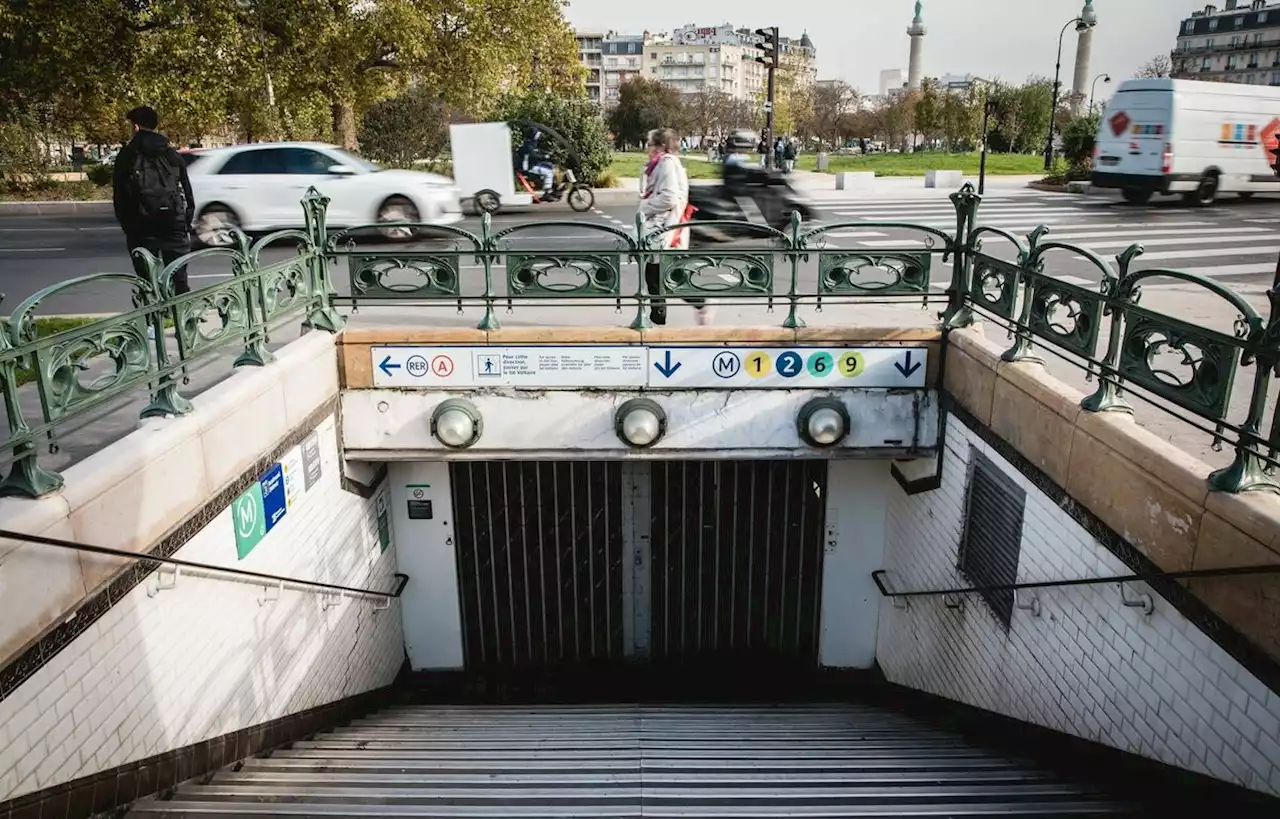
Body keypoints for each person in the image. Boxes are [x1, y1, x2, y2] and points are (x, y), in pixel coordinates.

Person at [112, 106, 195, 296]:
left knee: (147, 282)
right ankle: (184, 317)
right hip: (173, 223)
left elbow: (119, 196)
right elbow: (187, 191)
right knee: (179, 278)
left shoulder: (127, 155)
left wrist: (128, 226)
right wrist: (184, 222)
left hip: (141, 226)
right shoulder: (170, 153)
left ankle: (153, 321)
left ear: (135, 127)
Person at [640, 128, 711, 326]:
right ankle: (659, 318)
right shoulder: (663, 163)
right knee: (656, 275)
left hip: (666, 228)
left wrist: (645, 208)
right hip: (663, 228)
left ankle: (700, 305)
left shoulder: (667, 163)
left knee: (662, 276)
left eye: (650, 143)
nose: (648, 148)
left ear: (661, 146)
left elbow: (669, 197)